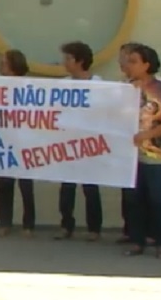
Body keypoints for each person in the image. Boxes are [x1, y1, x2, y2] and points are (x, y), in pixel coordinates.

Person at [121, 43, 161, 258]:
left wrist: (148, 135)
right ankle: (137, 240)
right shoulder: (124, 88)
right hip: (129, 152)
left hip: (155, 151)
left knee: (156, 197)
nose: (129, 65)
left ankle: (160, 241)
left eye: (134, 61)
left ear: (147, 64)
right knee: (133, 198)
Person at [55, 40, 101, 241]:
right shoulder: (63, 85)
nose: (65, 62)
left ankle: (94, 228)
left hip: (90, 143)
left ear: (80, 61)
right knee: (67, 188)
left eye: (68, 58)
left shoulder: (99, 85)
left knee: (91, 188)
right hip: (67, 142)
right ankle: (66, 225)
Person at [0, 50, 36, 237]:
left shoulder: (29, 87)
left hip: (25, 141)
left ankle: (28, 224)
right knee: (3, 185)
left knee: (26, 186)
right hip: (3, 140)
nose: (0, 65)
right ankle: (5, 222)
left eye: (4, 62)